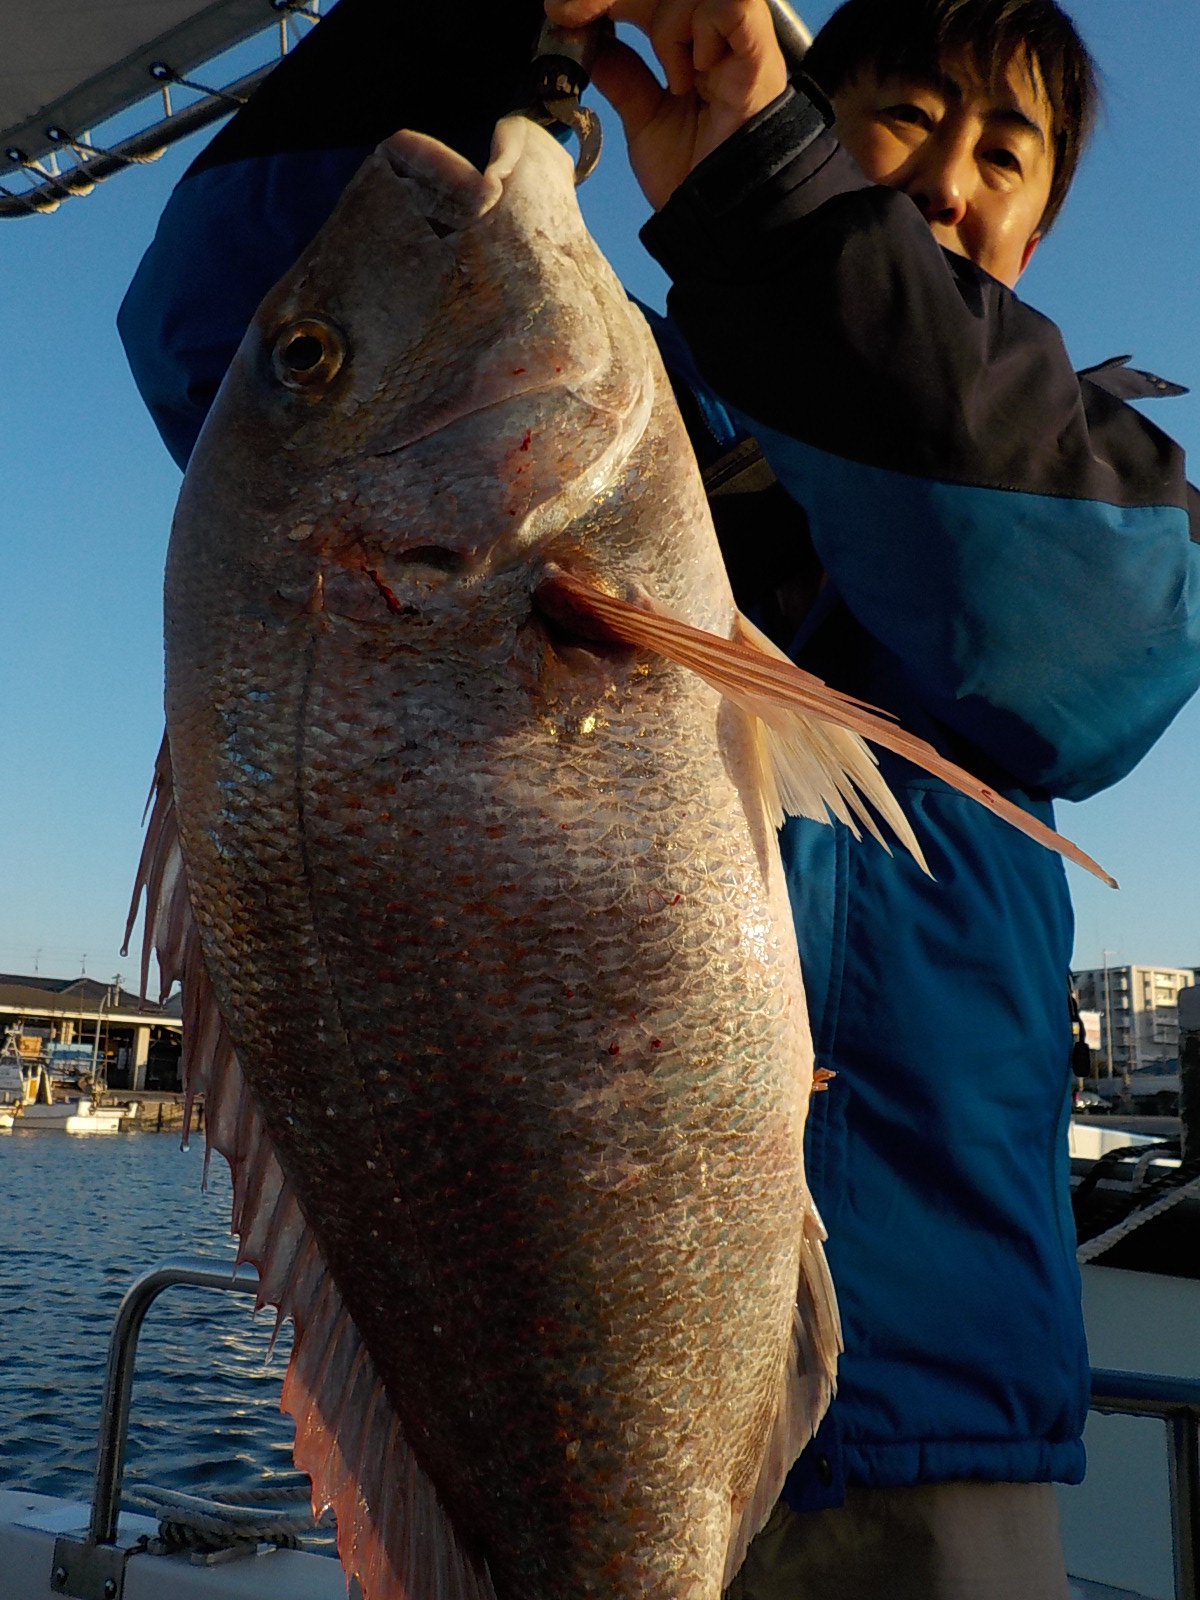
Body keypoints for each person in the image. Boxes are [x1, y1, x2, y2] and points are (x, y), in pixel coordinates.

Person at [118, 1, 1200, 1595]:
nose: (953, 176)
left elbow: (1097, 634)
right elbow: (222, 314)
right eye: (907, 115)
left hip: (927, 1442)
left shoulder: (1072, 470)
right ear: (797, 104)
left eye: (1005, 153)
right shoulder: (633, 409)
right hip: (536, 1458)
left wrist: (781, 216)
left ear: (1036, 229)